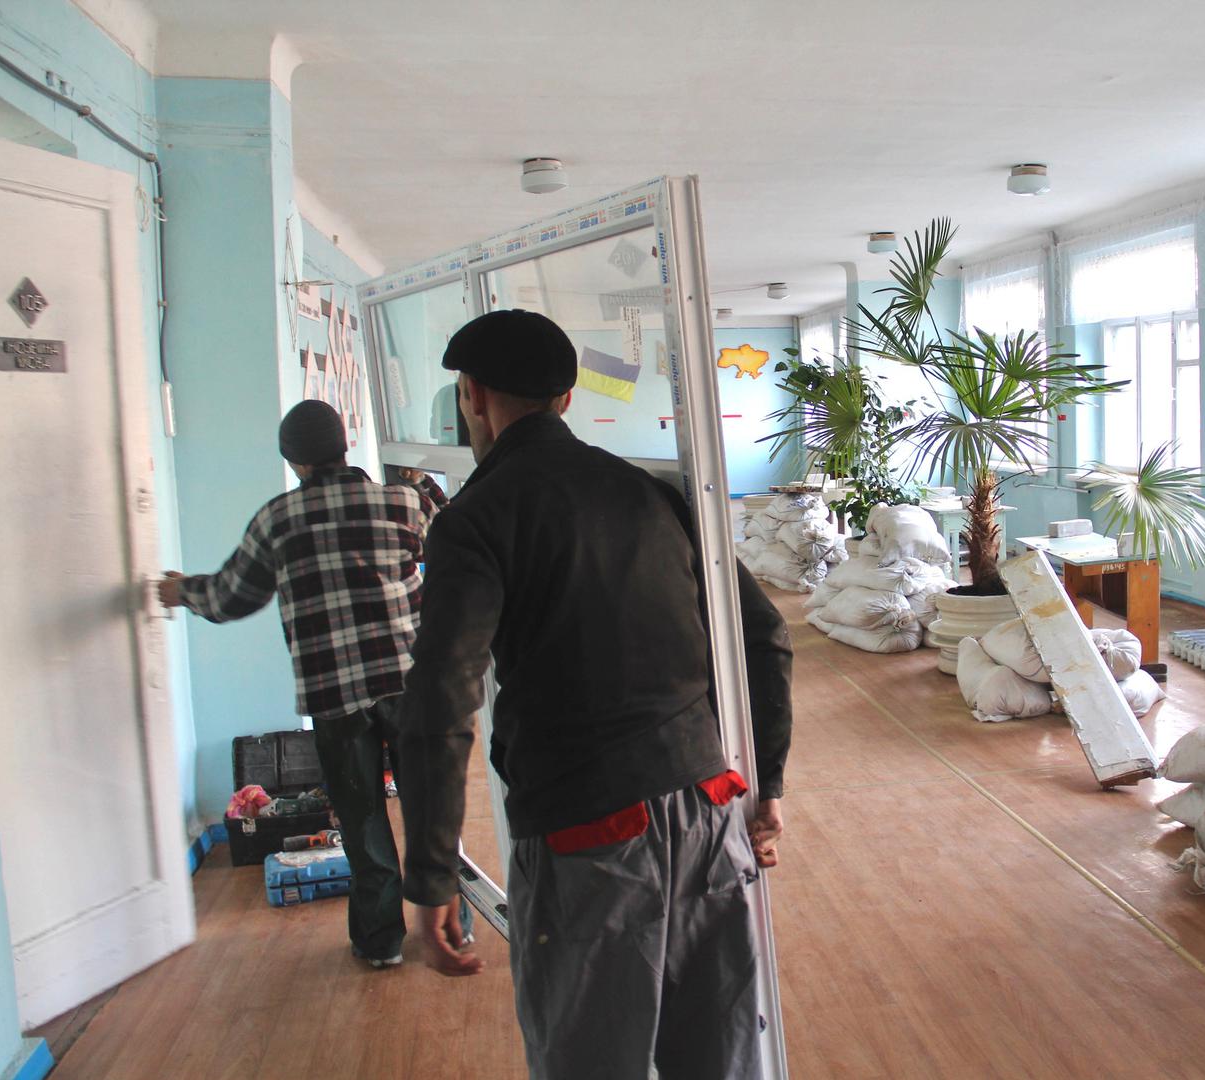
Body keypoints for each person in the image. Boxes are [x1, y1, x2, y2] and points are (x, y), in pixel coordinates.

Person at [398, 309, 794, 1079]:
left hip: (588, 832)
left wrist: (430, 876)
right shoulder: (651, 494)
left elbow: (442, 705)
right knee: (719, 1053)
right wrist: (766, 783)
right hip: (707, 801)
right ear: (568, 400)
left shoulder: (474, 518)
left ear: (471, 396)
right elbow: (766, 636)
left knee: (589, 1054)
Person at [158, 399, 467, 968]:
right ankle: (452, 928)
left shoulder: (277, 519)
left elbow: (231, 597)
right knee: (430, 808)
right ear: (346, 442)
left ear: (293, 462)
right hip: (411, 683)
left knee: (363, 820)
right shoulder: (402, 501)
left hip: (334, 698)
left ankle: (380, 944)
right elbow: (456, 552)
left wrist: (180, 591)